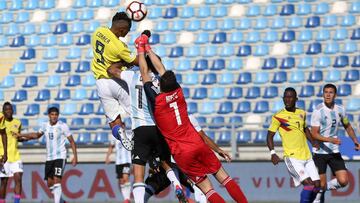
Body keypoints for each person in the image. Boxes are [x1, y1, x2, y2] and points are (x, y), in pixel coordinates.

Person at [135, 33, 248, 203]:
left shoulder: (157, 102)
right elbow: (162, 70)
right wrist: (148, 47)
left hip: (182, 152)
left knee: (207, 189)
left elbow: (145, 72)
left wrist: (140, 49)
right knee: (225, 178)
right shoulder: (179, 93)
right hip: (197, 143)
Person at [107, 32, 186, 203]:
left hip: (140, 129)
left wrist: (127, 61)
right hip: (158, 128)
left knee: (138, 172)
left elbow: (110, 70)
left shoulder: (132, 76)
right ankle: (176, 184)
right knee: (165, 162)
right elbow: (160, 66)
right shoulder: (161, 81)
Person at [144, 114, 223, 203]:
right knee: (199, 185)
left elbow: (153, 144)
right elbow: (203, 137)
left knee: (153, 184)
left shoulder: (162, 122)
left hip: (169, 161)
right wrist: (217, 150)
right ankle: (198, 198)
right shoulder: (189, 117)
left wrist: (152, 163)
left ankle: (175, 185)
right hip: (186, 160)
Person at [91, 11, 139, 142]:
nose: (127, 33)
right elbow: (136, 61)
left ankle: (121, 134)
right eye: (127, 30)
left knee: (113, 120)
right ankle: (140, 138)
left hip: (101, 83)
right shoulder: (119, 47)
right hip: (116, 81)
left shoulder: (98, 32)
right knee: (136, 112)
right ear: (122, 29)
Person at [266, 88, 320, 203]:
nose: (287, 99)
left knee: (317, 186)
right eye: (285, 97)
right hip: (292, 157)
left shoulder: (302, 113)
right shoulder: (278, 116)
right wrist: (273, 153)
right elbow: (269, 136)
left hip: (307, 155)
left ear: (296, 99)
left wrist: (313, 141)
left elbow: (305, 129)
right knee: (309, 185)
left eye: (290, 97)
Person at [14, 107, 78, 203]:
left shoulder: (62, 126)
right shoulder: (45, 126)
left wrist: (75, 157)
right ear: (48, 115)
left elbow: (72, 142)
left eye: (56, 115)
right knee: (50, 184)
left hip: (60, 156)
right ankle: (62, 201)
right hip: (49, 158)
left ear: (58, 116)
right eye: (52, 114)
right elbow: (36, 135)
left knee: (57, 181)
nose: (54, 116)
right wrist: (22, 136)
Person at [311, 83, 360, 203]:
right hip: (320, 152)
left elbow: (347, 125)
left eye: (330, 92)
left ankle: (322, 189)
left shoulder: (341, 110)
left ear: (335, 95)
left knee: (343, 181)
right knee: (319, 183)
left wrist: (355, 140)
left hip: (334, 151)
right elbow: (314, 134)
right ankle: (319, 193)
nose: (327, 95)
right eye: (325, 92)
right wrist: (330, 139)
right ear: (323, 94)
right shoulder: (318, 111)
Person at [0, 102, 23, 203]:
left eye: (10, 109)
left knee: (18, 178)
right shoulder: (1, 121)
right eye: (6, 110)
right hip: (3, 156)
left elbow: (18, 137)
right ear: (3, 111)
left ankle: (16, 202)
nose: (8, 111)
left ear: (13, 110)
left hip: (15, 156)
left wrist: (24, 138)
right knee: (4, 182)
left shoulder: (18, 122)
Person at [105, 135, 132, 203]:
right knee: (121, 180)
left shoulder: (128, 135)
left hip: (127, 160)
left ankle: (127, 199)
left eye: (122, 124)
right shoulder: (114, 136)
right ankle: (126, 199)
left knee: (126, 178)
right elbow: (111, 146)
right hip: (118, 162)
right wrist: (107, 157)